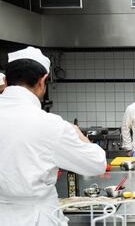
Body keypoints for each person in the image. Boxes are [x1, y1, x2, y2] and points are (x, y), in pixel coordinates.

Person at [0, 46, 107, 226]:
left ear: (7, 79)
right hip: (36, 218)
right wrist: (78, 133)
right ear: (42, 81)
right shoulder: (50, 125)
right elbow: (96, 164)